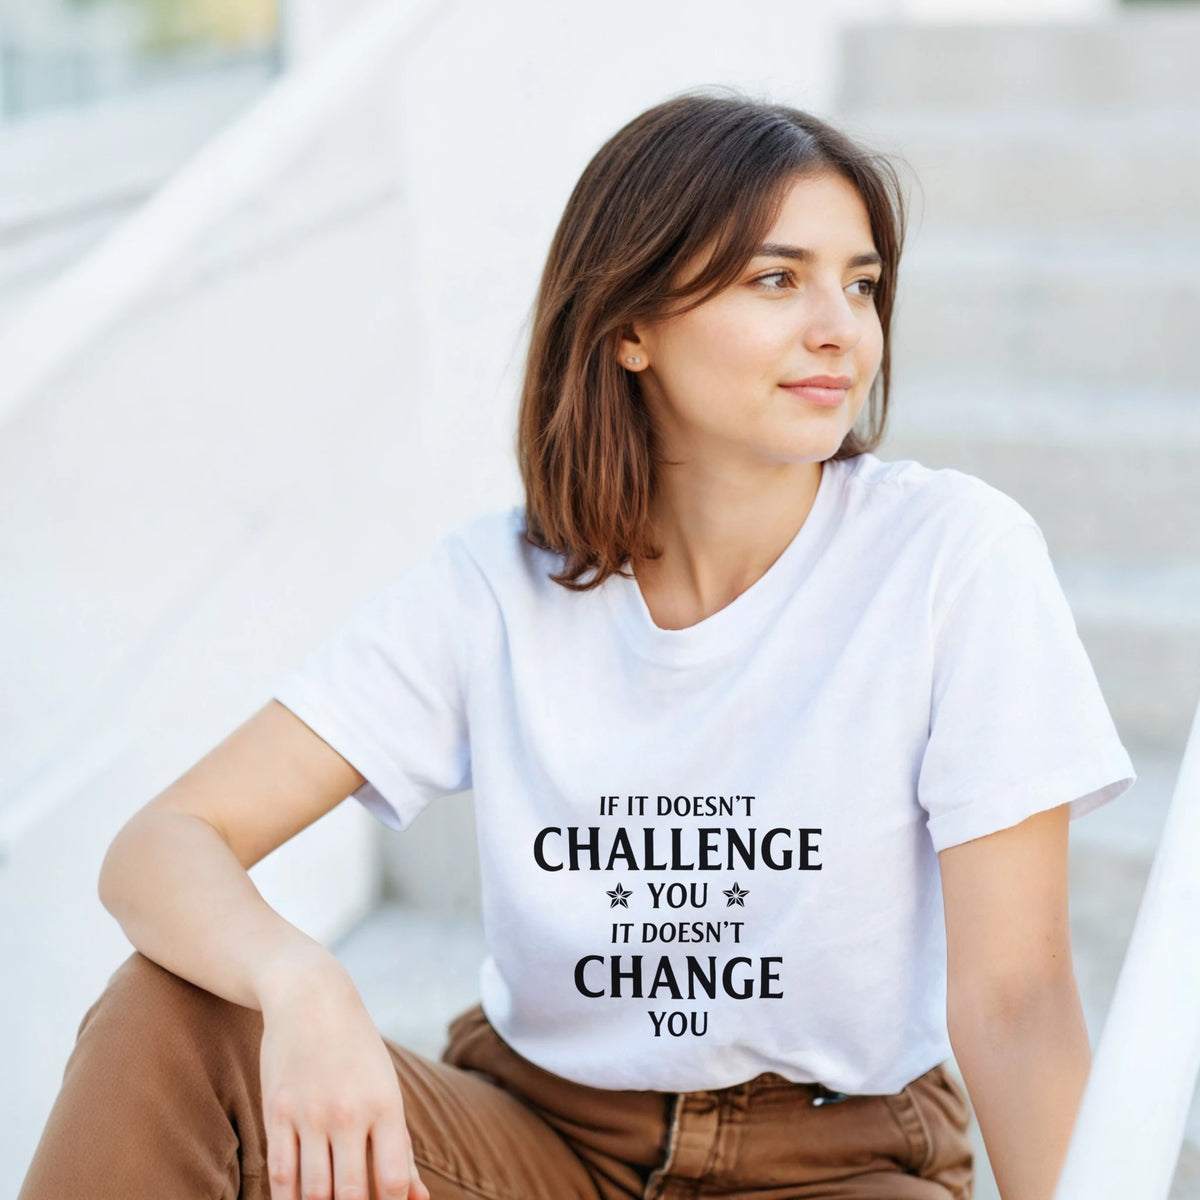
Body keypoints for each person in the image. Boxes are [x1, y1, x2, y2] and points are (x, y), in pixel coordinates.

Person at [19, 89, 1136, 1200]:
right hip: (537, 1139)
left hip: (835, 1160)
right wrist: (299, 978)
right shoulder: (496, 587)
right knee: (171, 1012)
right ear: (629, 326)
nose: (840, 328)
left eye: (861, 283)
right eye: (776, 279)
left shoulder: (951, 558)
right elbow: (163, 842)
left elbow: (1016, 1000)